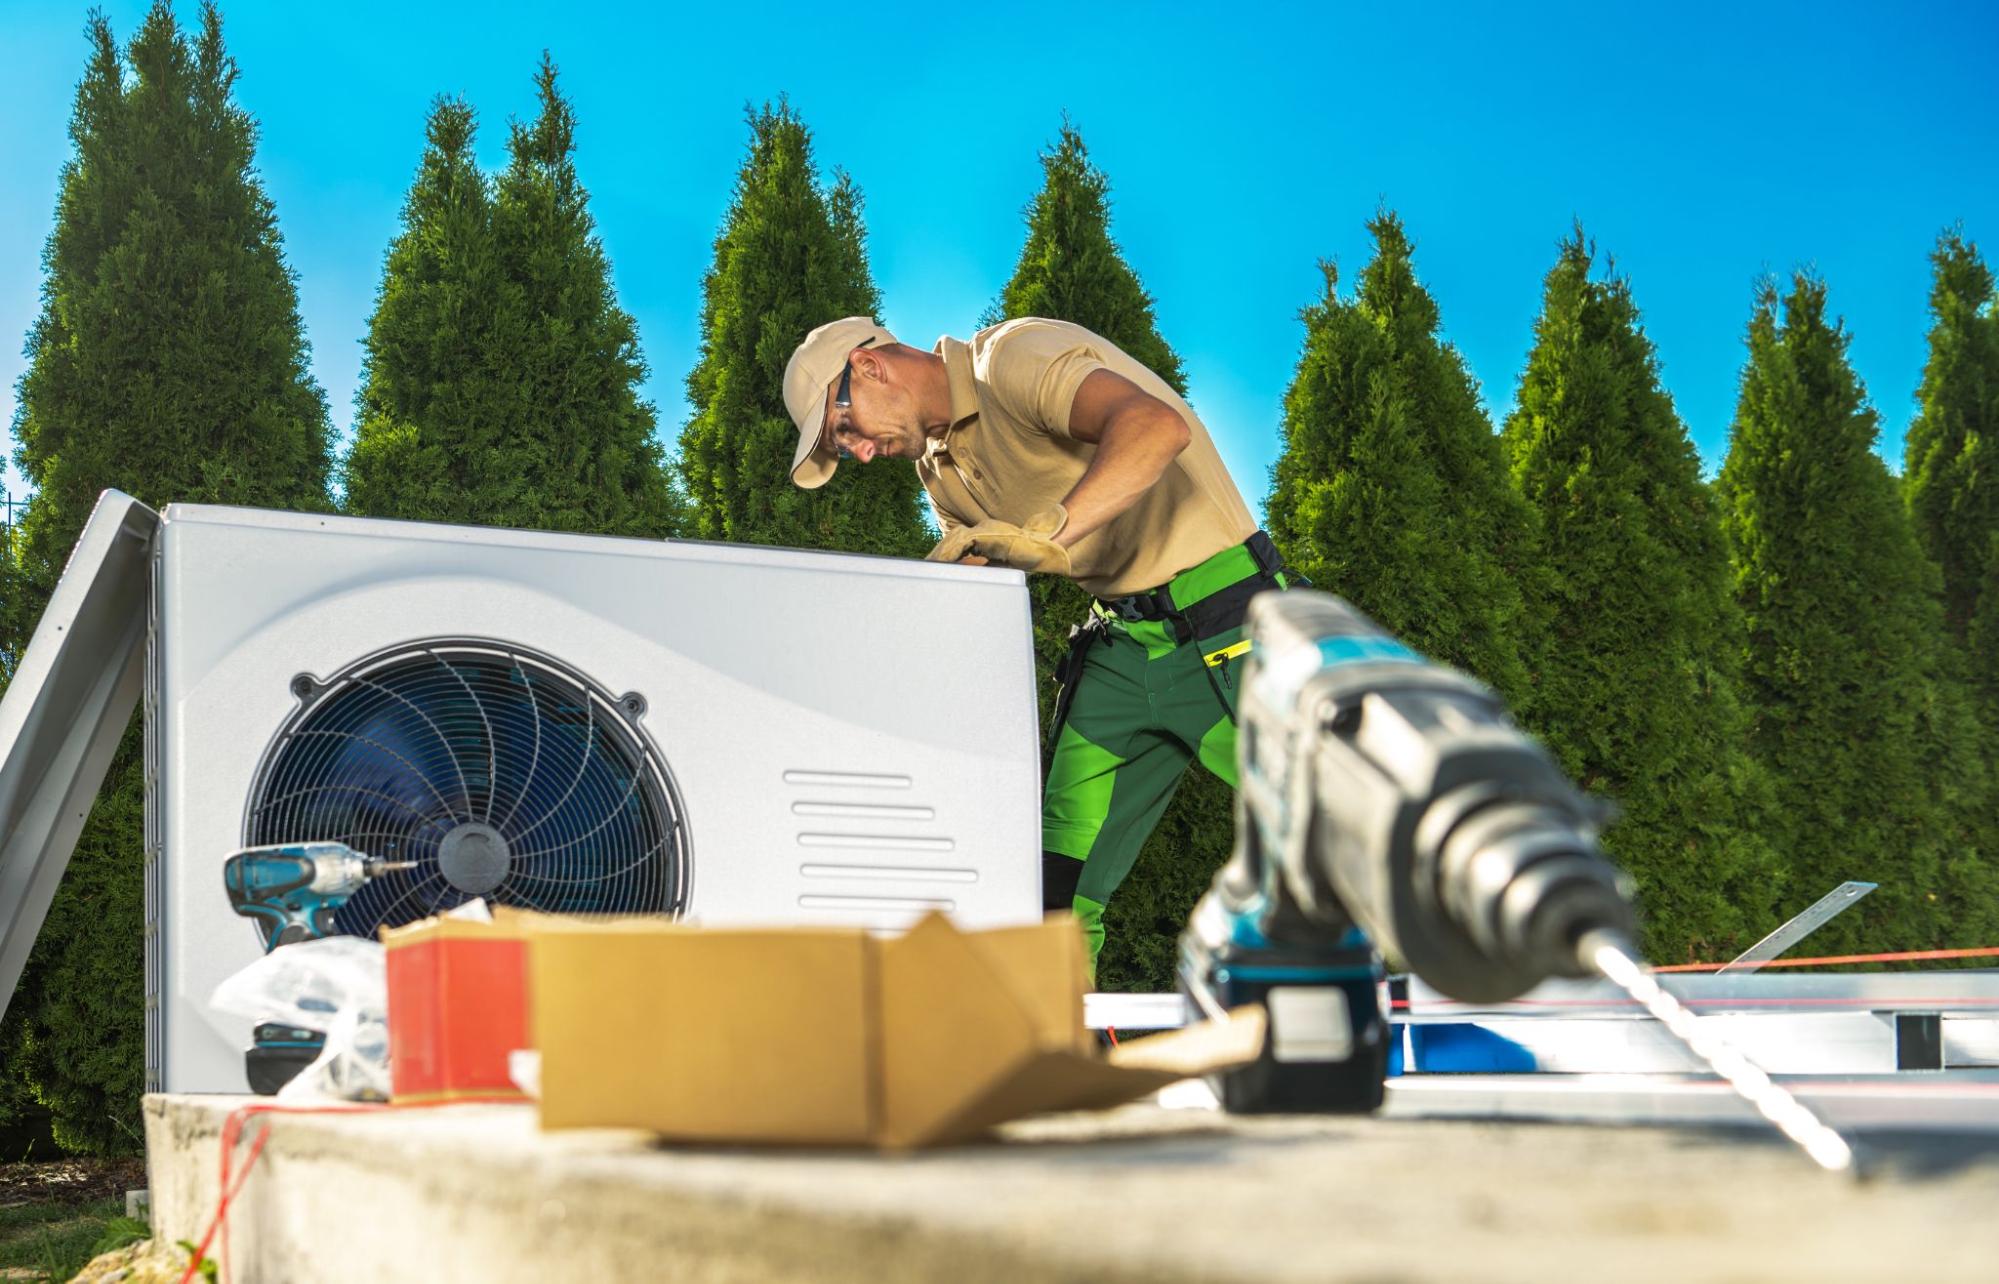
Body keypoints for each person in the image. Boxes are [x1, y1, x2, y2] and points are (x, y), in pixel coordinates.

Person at [783, 315, 1293, 971]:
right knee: (1054, 894)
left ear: (868, 366)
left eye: (844, 428)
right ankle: (1063, 1057)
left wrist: (1047, 534)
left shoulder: (1012, 359)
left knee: (1336, 840)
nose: (856, 452)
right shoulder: (938, 473)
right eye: (840, 446)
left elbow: (1156, 428)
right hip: (1123, 646)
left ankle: (1429, 1028)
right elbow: (986, 577)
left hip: (1227, 622)